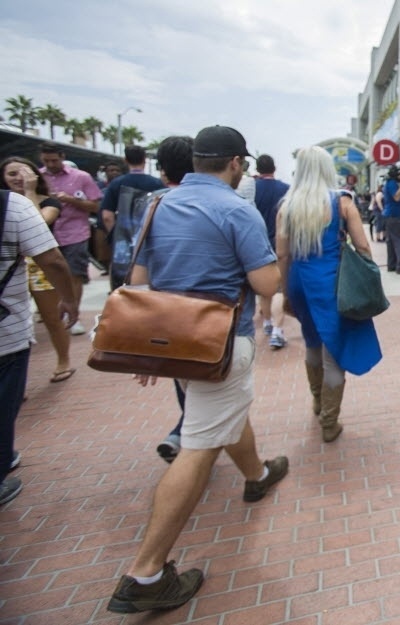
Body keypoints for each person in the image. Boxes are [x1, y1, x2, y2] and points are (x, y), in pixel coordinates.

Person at [106, 126, 288, 614]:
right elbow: (265, 281)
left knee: (221, 410)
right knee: (199, 443)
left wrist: (145, 348)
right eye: (242, 165)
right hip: (221, 343)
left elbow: (139, 279)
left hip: (176, 344)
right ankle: (146, 573)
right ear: (233, 163)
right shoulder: (236, 209)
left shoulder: (159, 205)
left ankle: (258, 473)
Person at [276, 146, 382, 443]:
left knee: (311, 343)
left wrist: (285, 293)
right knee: (333, 354)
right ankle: (329, 421)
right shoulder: (342, 203)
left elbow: (282, 256)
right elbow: (362, 247)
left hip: (299, 282)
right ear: (327, 169)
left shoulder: (287, 207)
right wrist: (368, 277)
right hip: (333, 284)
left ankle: (318, 402)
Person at [0, 188, 78, 505]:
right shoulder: (12, 206)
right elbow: (52, 259)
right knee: (5, 403)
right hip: (6, 333)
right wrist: (70, 299)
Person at [142, 136, 196, 464]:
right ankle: (185, 437)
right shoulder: (224, 204)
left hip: (165, 313)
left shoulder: (152, 205)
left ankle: (182, 430)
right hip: (214, 315)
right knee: (219, 398)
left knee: (186, 381)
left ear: (163, 172)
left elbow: (135, 270)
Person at [0, 157, 75, 383]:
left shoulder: (48, 201)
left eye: (23, 172)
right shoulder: (6, 203)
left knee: (52, 317)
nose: (18, 178)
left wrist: (29, 193)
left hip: (40, 267)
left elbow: (40, 223)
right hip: (13, 269)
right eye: (11, 173)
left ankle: (64, 359)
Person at [38, 142, 103, 336]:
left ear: (62, 157)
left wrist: (70, 200)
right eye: (46, 161)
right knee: (46, 277)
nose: (51, 164)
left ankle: (73, 314)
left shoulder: (81, 177)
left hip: (75, 233)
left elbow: (95, 206)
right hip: (45, 234)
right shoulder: (37, 177)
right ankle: (53, 313)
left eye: (54, 160)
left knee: (75, 275)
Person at [101, 145, 164, 291]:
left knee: (120, 281)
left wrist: (114, 235)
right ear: (144, 160)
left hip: (123, 240)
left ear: (125, 160)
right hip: (149, 238)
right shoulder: (156, 184)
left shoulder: (116, 183)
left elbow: (107, 216)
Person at [253, 154, 291, 349]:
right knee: (279, 288)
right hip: (280, 242)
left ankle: (267, 321)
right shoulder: (285, 189)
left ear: (258, 169)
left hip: (257, 243)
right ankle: (277, 329)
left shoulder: (253, 189)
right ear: (274, 168)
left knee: (263, 287)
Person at [382, 165, 400, 274]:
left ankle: (392, 265)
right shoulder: (393, 183)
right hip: (395, 216)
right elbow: (397, 197)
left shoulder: (389, 182)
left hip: (390, 215)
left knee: (391, 241)